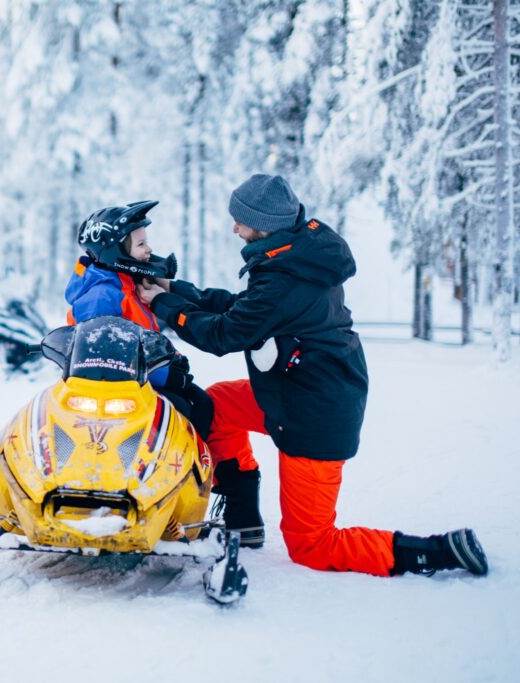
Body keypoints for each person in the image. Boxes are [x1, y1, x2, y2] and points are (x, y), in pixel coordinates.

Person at [137, 174, 488, 576]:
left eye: (240, 221)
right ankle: (243, 517)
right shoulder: (295, 258)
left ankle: (438, 552)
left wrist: (167, 306)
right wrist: (176, 288)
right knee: (216, 405)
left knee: (313, 545)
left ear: (263, 225)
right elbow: (243, 307)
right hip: (296, 393)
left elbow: (226, 333)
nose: (234, 228)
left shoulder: (284, 276)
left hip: (314, 415)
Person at [65, 200, 213, 437]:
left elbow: (145, 337)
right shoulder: (102, 296)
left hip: (141, 380)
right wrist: (166, 376)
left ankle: (207, 470)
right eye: (141, 244)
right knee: (190, 411)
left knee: (202, 404)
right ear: (116, 250)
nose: (149, 250)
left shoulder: (128, 284)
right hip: (118, 391)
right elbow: (107, 359)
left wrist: (172, 360)